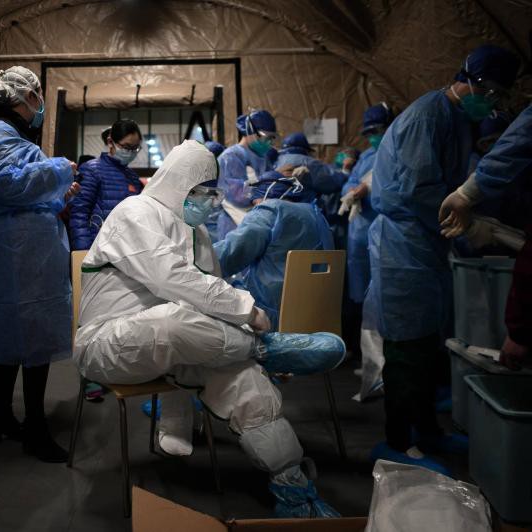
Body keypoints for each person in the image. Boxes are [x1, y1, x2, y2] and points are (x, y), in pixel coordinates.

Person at [73, 140, 345, 518]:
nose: (208, 201)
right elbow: (172, 278)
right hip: (109, 344)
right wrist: (246, 311)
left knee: (244, 378)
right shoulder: (134, 212)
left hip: (180, 346)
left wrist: (236, 317)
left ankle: (294, 487)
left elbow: (209, 296)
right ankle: (265, 349)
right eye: (201, 192)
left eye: (212, 194)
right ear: (178, 182)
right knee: (170, 321)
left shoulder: (198, 234)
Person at [366, 45, 520, 474]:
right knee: (405, 346)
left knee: (428, 343)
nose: (490, 100)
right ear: (466, 78)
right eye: (487, 90)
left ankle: (427, 431)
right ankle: (396, 442)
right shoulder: (428, 115)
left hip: (426, 242)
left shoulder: (456, 119)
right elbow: (419, 189)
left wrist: (473, 217)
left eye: (498, 94)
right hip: (403, 244)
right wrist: (467, 223)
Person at [0, 66, 79, 463]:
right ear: (28, 96)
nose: (41, 104)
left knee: (15, 337)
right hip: (23, 254)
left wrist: (57, 196)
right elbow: (5, 183)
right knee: (34, 337)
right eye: (38, 95)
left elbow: (17, 190)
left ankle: (0, 414)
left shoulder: (3, 134)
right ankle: (35, 428)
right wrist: (60, 169)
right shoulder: (2, 132)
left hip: (20, 247)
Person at [439, 103, 531, 372]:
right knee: (477, 322)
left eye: (498, 141)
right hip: (480, 260)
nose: (494, 148)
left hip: (515, 260)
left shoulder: (518, 171)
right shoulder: (475, 167)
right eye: (488, 142)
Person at [214, 170, 334, 329]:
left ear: (263, 197)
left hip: (272, 313)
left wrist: (198, 256)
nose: (254, 208)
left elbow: (232, 252)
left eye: (254, 204)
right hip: (317, 311)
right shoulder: (315, 213)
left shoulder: (270, 210)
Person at [337, 103, 394, 401]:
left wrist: (366, 189)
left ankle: (384, 364)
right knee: (363, 299)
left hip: (381, 233)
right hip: (360, 235)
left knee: (383, 298)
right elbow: (348, 183)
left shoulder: (395, 149)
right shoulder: (368, 156)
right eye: (369, 132)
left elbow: (389, 186)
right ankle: (371, 361)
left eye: (377, 131)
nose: (373, 137)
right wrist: (352, 187)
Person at [69, 118, 143, 250]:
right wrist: (83, 251)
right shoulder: (92, 169)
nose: (131, 152)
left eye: (135, 148)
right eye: (127, 147)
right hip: (97, 248)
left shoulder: (133, 178)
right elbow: (79, 213)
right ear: (110, 142)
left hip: (126, 248)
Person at [215, 110, 278, 241]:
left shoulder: (262, 157)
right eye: (265, 137)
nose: (269, 142)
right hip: (234, 223)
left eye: (272, 138)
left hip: (254, 220)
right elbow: (235, 194)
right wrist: (259, 191)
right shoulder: (231, 156)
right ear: (250, 132)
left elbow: (268, 186)